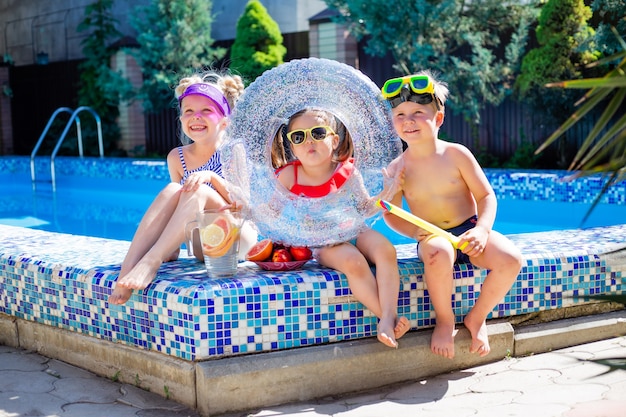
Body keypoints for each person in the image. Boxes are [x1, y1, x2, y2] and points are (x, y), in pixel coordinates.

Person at [381, 71, 522, 358]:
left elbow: (486, 196)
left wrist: (482, 230)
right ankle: (445, 321)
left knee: (510, 259)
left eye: (419, 112)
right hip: (431, 236)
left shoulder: (457, 154)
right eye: (400, 114)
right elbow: (391, 214)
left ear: (439, 119)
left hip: (468, 230)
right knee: (437, 253)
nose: (409, 120)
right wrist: (412, 232)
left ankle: (477, 317)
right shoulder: (397, 169)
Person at [108, 72, 257, 305]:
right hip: (203, 247)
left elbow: (245, 206)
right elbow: (176, 206)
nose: (196, 117)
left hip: (238, 240)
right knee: (171, 189)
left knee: (200, 189)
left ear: (224, 121)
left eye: (206, 111)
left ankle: (150, 262)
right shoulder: (177, 157)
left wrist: (211, 178)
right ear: (181, 120)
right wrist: (171, 247)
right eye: (189, 111)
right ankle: (128, 268)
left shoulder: (233, 151)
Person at [272, 108, 410, 348]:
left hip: (356, 231)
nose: (309, 142)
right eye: (299, 137)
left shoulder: (347, 172)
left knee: (387, 250)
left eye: (317, 133)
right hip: (324, 243)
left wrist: (390, 190)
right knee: (353, 262)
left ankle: (388, 316)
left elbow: (365, 208)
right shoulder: (289, 177)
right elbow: (271, 213)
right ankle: (387, 319)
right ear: (292, 147)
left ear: (334, 140)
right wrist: (244, 208)